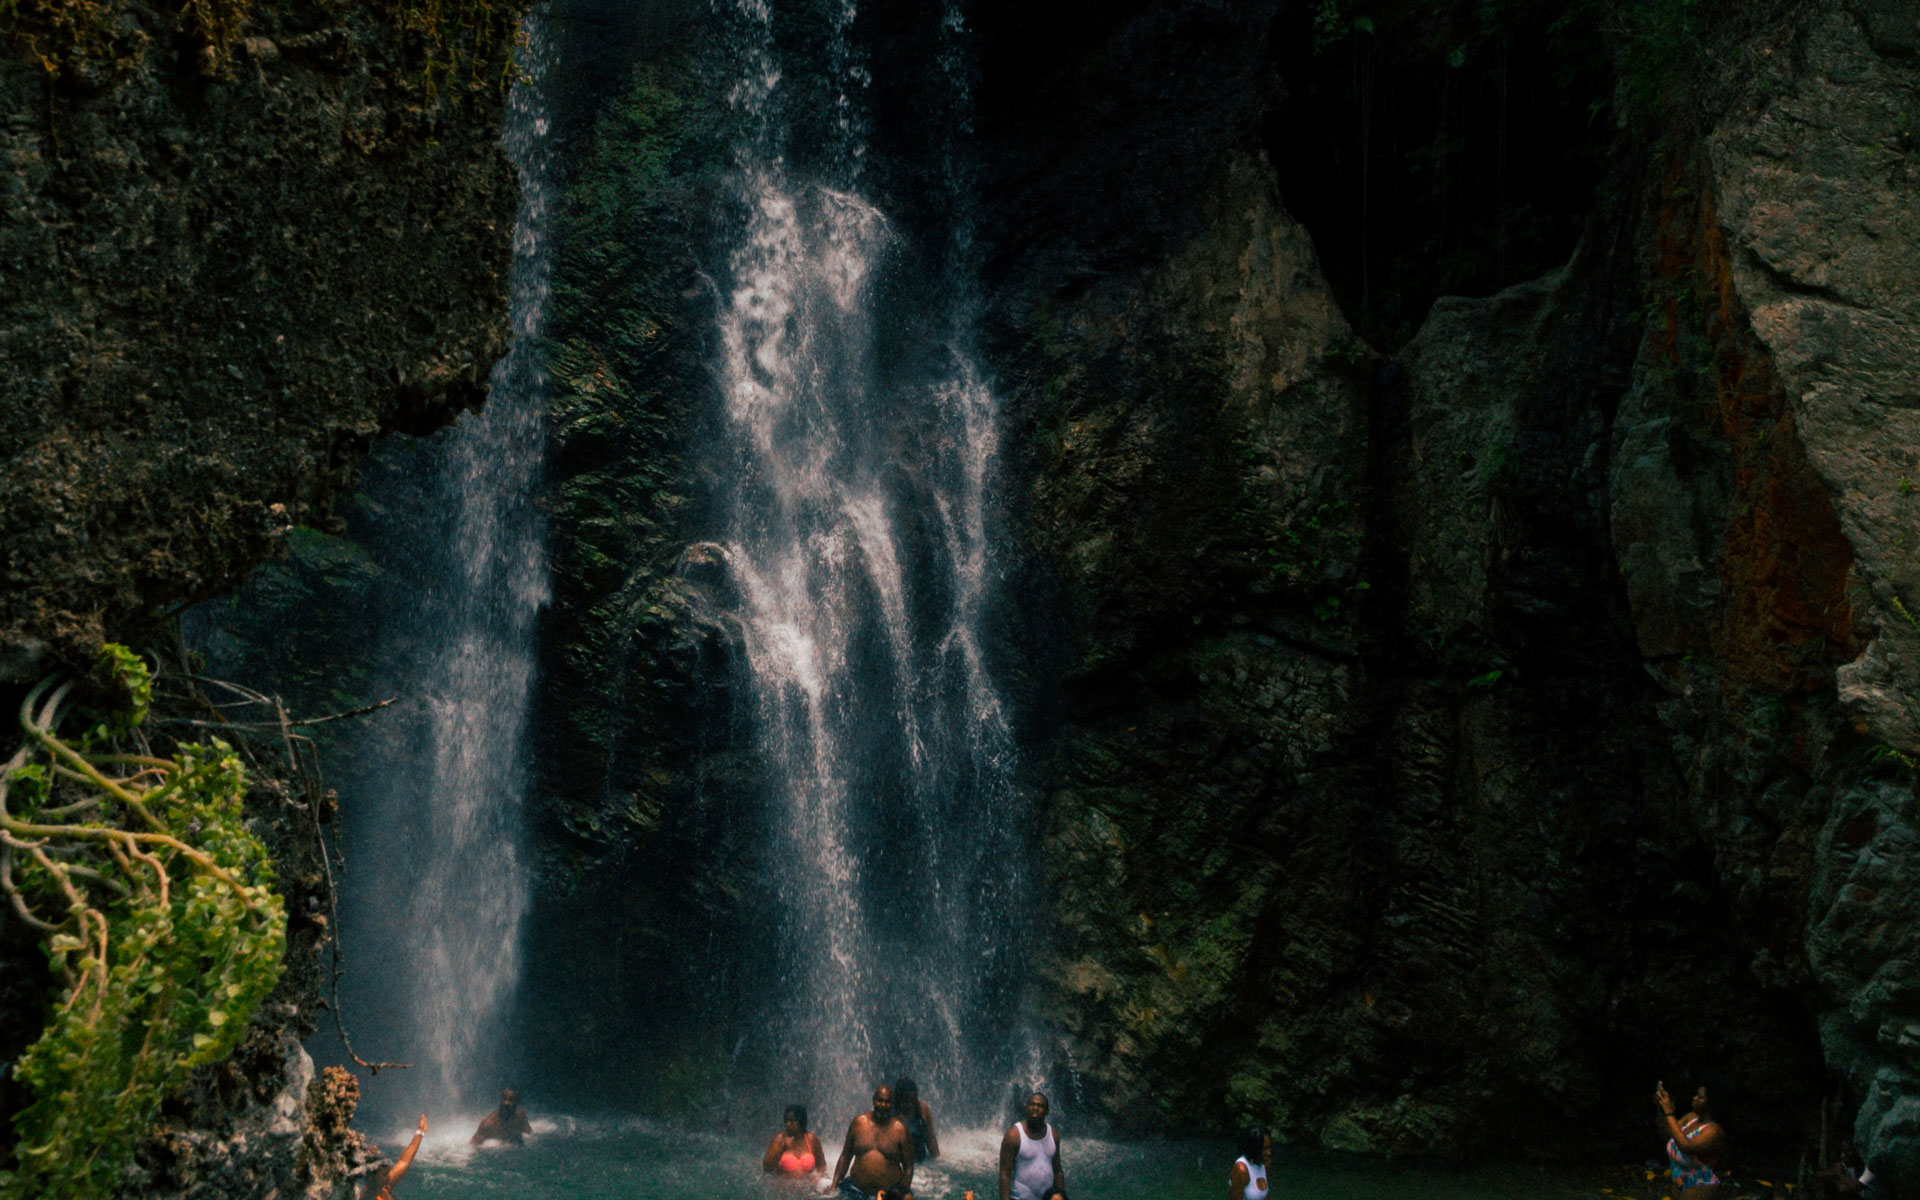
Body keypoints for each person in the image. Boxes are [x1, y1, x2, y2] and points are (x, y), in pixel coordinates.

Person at [831, 1085, 915, 1200]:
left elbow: (909, 1166)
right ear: (873, 1101)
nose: (883, 1105)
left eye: (887, 1102)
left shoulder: (900, 1130)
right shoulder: (859, 1123)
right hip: (855, 1190)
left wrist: (901, 1192)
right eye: (880, 1101)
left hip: (888, 1194)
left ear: (893, 1104)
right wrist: (834, 1186)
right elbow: (845, 1156)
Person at [1656, 1081, 1726, 1199]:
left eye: (1700, 1097)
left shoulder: (1713, 1131)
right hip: (1679, 1183)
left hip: (1700, 1186)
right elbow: (1668, 1133)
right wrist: (1660, 1106)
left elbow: (1685, 1146)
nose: (1694, 1098)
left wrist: (1668, 1112)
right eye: (1696, 1094)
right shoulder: (1691, 1118)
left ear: (1711, 1103)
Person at [999, 1092, 1064, 1200]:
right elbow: (1005, 1174)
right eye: (1032, 1104)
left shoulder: (1053, 1134)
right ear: (1026, 1108)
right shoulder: (1014, 1135)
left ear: (1047, 1111)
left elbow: (1057, 1170)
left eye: (1040, 1106)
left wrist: (1061, 1195)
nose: (1035, 1108)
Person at [361, 1114, 426, 1200]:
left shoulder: (382, 1188)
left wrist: (420, 1131)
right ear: (374, 1177)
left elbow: (404, 1161)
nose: (388, 1176)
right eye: (385, 1175)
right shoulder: (369, 1196)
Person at [765, 1104, 828, 1177]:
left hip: (807, 1186)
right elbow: (767, 1168)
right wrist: (782, 1149)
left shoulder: (811, 1139)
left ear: (801, 1121)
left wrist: (817, 1177)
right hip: (782, 1186)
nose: (787, 1124)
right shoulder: (780, 1139)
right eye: (786, 1121)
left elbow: (822, 1165)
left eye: (791, 1121)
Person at [894, 1078, 940, 1162]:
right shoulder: (891, 1113)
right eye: (906, 1100)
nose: (909, 1105)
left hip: (920, 1161)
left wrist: (937, 1158)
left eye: (913, 1100)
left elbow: (930, 1138)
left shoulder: (922, 1110)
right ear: (898, 1099)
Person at [1228, 1125, 1270, 1200]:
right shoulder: (1241, 1170)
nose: (1269, 1152)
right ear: (1254, 1148)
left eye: (1269, 1147)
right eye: (1264, 1149)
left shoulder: (1265, 1163)